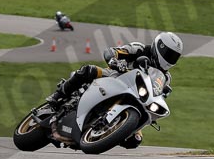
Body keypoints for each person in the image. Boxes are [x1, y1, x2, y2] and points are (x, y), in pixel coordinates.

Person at [45, 31, 183, 148]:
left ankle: (107, 134)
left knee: (135, 141)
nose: (170, 59)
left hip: (135, 98)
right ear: (160, 47)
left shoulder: (165, 77)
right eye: (169, 53)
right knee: (88, 70)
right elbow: (113, 52)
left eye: (174, 57)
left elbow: (157, 92)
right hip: (115, 78)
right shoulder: (139, 49)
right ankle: (57, 97)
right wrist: (114, 59)